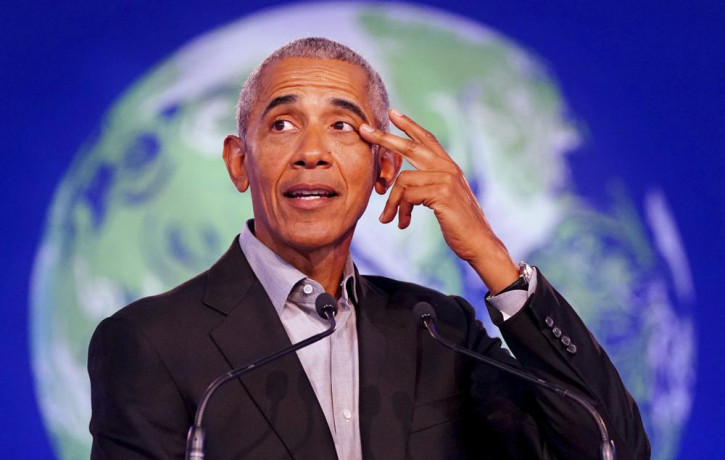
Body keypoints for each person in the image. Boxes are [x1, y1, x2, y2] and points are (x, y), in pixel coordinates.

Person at [88, 37, 650, 459]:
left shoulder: (437, 329)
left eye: (342, 127)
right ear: (240, 162)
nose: (312, 152)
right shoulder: (149, 341)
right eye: (283, 124)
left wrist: (490, 257)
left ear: (384, 167)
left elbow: (610, 447)